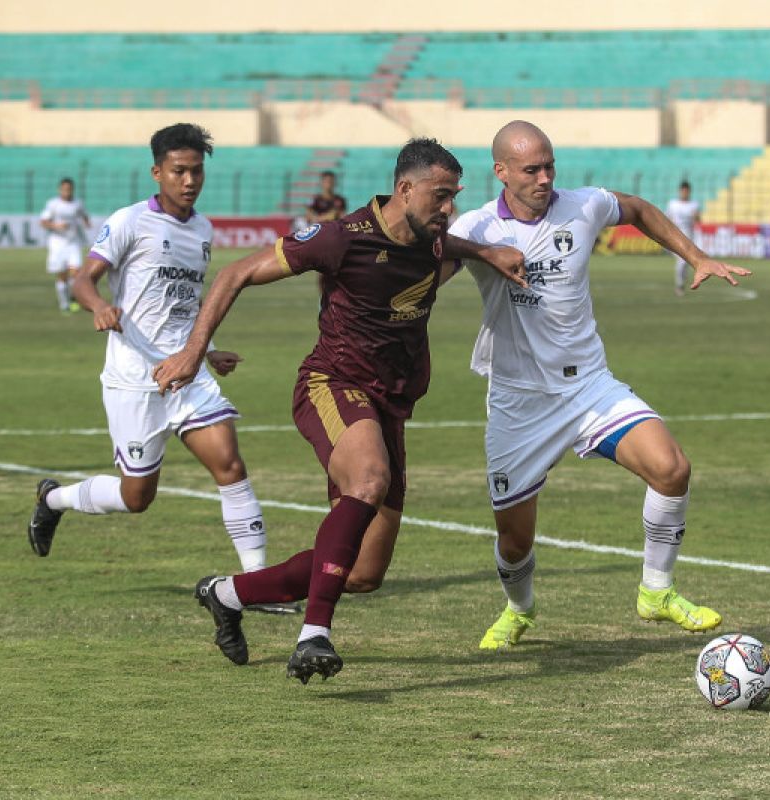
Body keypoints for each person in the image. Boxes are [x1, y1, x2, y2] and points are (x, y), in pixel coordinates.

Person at [154, 138, 526, 683]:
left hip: (392, 403)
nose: (449, 210)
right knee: (368, 479)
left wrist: (488, 252)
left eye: (454, 199)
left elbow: (453, 246)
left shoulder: (434, 238)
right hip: (333, 384)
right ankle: (314, 634)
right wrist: (193, 351)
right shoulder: (339, 239)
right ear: (405, 189)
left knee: (362, 572)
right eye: (441, 197)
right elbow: (236, 273)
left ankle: (227, 594)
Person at [445, 121, 751, 651]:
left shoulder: (584, 205)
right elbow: (424, 262)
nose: (544, 178)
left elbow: (638, 210)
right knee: (515, 541)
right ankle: (520, 609)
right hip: (518, 403)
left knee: (672, 468)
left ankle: (656, 591)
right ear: (500, 172)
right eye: (530, 169)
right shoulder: (476, 228)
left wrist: (695, 256)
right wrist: (481, 254)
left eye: (549, 166)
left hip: (589, 387)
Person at [26, 124, 292, 611]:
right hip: (133, 379)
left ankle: (257, 585)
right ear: (157, 172)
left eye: (196, 171)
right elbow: (84, 279)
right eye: (179, 171)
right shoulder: (129, 221)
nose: (189, 180)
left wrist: (206, 351)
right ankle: (53, 500)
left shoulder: (203, 230)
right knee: (136, 497)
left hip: (186, 374)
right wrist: (98, 307)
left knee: (230, 465)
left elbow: (185, 305)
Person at [40, 178, 91, 312]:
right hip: (57, 243)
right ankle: (64, 304)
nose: (67, 192)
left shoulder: (77, 203)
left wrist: (86, 222)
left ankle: (73, 298)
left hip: (73, 243)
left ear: (72, 189)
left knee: (76, 273)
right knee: (62, 275)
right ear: (60, 190)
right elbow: (44, 222)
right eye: (64, 189)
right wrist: (56, 225)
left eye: (69, 189)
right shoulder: (53, 204)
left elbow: (83, 214)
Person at [665, 181, 701, 296]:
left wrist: (697, 216)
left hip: (689, 238)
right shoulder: (673, 204)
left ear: (689, 191)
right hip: (676, 237)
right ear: (680, 191)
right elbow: (667, 219)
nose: (685, 193)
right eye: (683, 190)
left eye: (687, 190)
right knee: (681, 261)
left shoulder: (694, 204)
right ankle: (680, 285)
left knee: (685, 262)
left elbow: (698, 220)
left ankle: (682, 282)